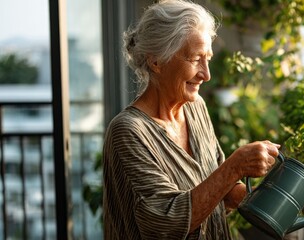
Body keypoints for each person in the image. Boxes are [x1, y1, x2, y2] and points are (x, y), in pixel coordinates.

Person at [102, 0, 280, 239]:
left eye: (208, 59)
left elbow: (217, 187)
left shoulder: (195, 108)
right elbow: (165, 225)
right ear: (156, 61)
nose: (206, 74)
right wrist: (235, 166)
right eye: (196, 59)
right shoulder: (128, 132)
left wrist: (261, 198)